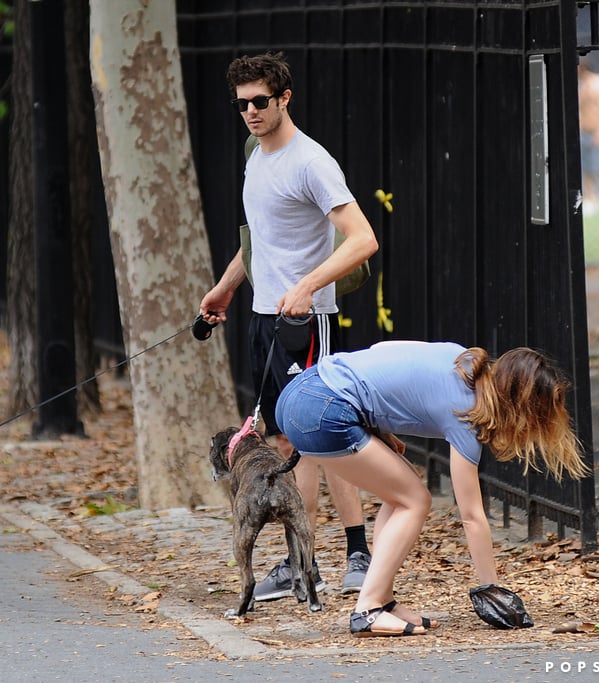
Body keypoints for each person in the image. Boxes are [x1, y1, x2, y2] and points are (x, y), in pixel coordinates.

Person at [199, 52, 379, 600]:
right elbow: (261, 238)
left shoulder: (311, 162)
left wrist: (307, 287)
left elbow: (363, 238)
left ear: (284, 99)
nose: (251, 112)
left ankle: (357, 554)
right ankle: (304, 565)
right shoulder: (256, 156)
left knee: (322, 436)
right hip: (263, 318)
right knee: (283, 439)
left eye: (260, 101)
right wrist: (228, 283)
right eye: (242, 104)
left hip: (308, 321)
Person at [275, 341, 590, 636]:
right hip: (322, 410)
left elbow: (385, 352)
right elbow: (472, 516)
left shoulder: (463, 360)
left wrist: (378, 427)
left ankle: (382, 600)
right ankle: (368, 609)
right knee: (415, 500)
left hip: (302, 391)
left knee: (399, 496)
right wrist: (492, 589)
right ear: (520, 405)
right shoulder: (465, 413)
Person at [578, 60, 599, 213]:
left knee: (598, 166)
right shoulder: (582, 86)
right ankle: (590, 197)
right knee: (586, 168)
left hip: (597, 131)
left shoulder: (598, 85)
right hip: (584, 131)